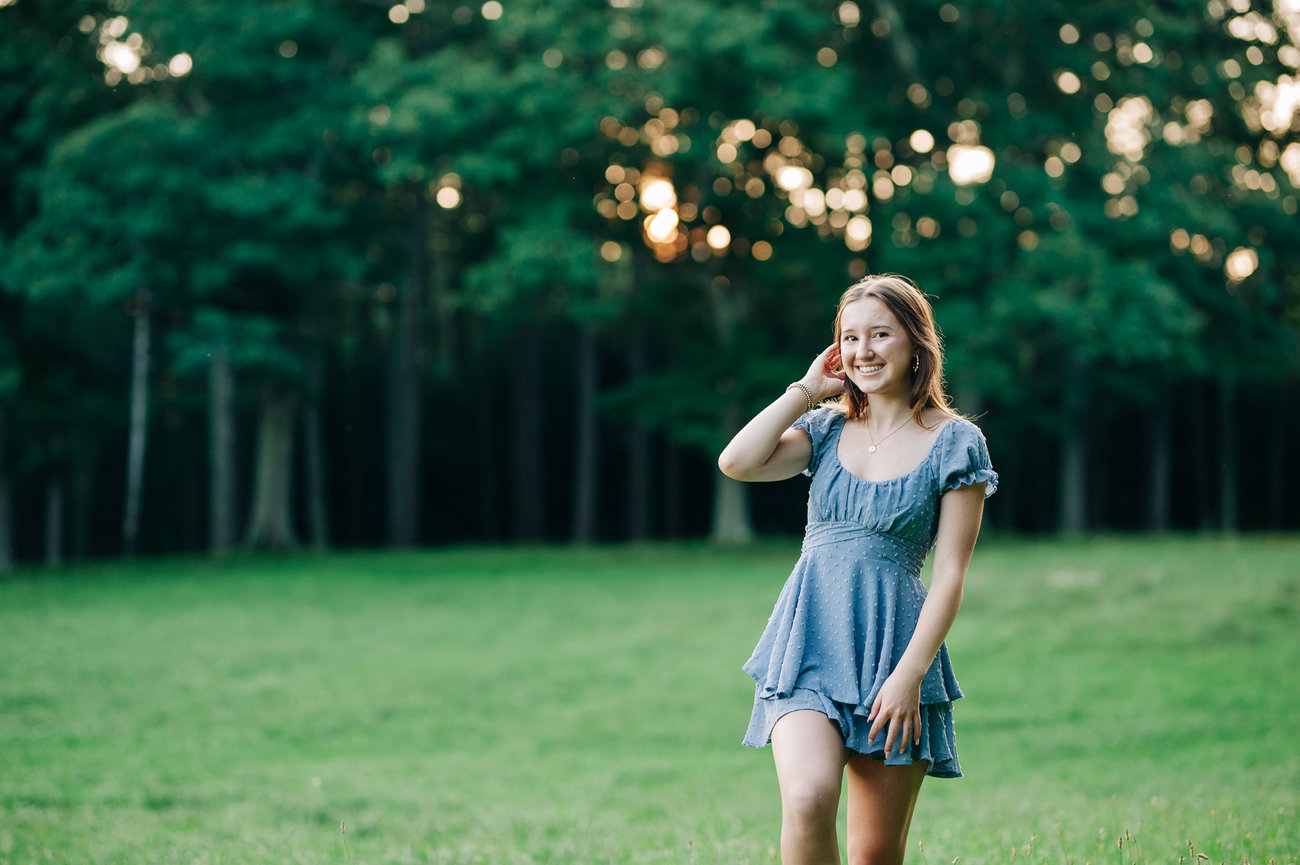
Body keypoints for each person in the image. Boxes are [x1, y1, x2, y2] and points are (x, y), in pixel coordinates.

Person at [717, 274, 997, 865]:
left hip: (894, 653)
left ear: (916, 342)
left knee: (875, 855)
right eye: (850, 337)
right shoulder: (824, 430)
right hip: (808, 647)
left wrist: (908, 676)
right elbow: (737, 462)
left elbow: (950, 575)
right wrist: (806, 390)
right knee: (807, 798)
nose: (863, 351)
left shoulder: (956, 442)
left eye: (880, 334)